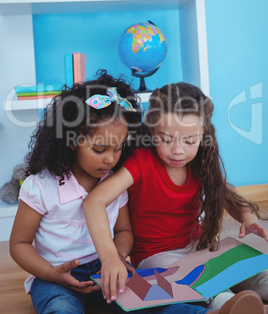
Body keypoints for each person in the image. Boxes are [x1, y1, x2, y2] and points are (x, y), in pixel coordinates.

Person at [83, 81, 268, 314]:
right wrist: (110, 258)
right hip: (157, 257)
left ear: (203, 134)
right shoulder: (141, 162)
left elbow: (228, 197)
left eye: (190, 141)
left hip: (200, 247)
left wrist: (248, 217)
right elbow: (94, 201)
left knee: (258, 277)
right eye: (167, 139)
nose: (178, 150)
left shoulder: (201, 161)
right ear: (152, 130)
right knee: (208, 288)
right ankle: (230, 308)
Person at [9, 70, 142, 314]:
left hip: (104, 270)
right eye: (99, 149)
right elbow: (19, 243)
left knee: (148, 302)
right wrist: (51, 273)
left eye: (118, 148)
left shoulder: (113, 183)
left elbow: (123, 230)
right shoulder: (40, 187)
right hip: (54, 276)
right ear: (72, 141)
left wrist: (117, 257)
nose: (110, 159)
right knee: (61, 308)